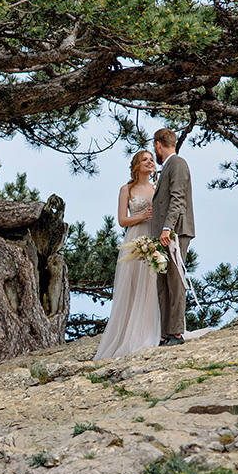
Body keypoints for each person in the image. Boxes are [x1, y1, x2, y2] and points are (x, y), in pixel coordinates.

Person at [94, 150, 162, 359]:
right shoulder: (127, 189)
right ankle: (127, 335)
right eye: (145, 159)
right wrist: (141, 216)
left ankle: (150, 332)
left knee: (151, 284)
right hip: (135, 238)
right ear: (136, 165)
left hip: (153, 237)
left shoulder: (156, 187)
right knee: (133, 284)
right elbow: (122, 220)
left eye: (152, 159)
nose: (150, 162)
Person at [150, 128, 196, 346]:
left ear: (158, 145)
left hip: (175, 232)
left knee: (175, 282)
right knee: (163, 283)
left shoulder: (177, 164)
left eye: (154, 147)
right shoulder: (168, 166)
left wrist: (167, 228)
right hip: (163, 234)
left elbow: (178, 199)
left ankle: (176, 333)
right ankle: (165, 333)